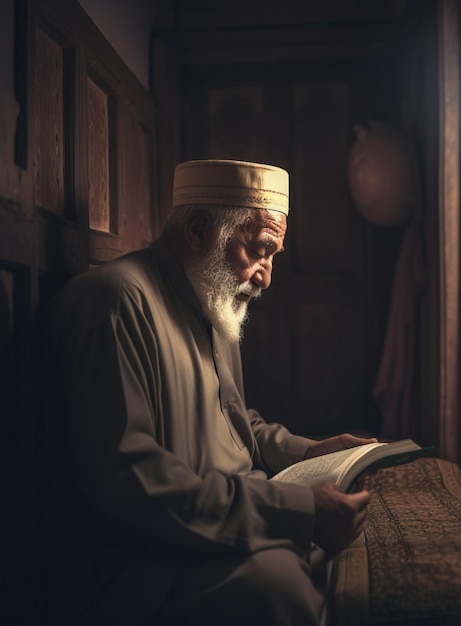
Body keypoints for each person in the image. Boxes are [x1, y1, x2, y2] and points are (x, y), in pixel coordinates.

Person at [39, 159, 374, 626]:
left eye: (272, 256)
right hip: (145, 564)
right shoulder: (113, 303)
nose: (266, 276)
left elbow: (238, 424)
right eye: (260, 250)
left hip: (222, 525)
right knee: (280, 586)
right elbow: (133, 486)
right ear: (199, 230)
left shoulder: (209, 299)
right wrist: (296, 511)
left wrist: (315, 452)